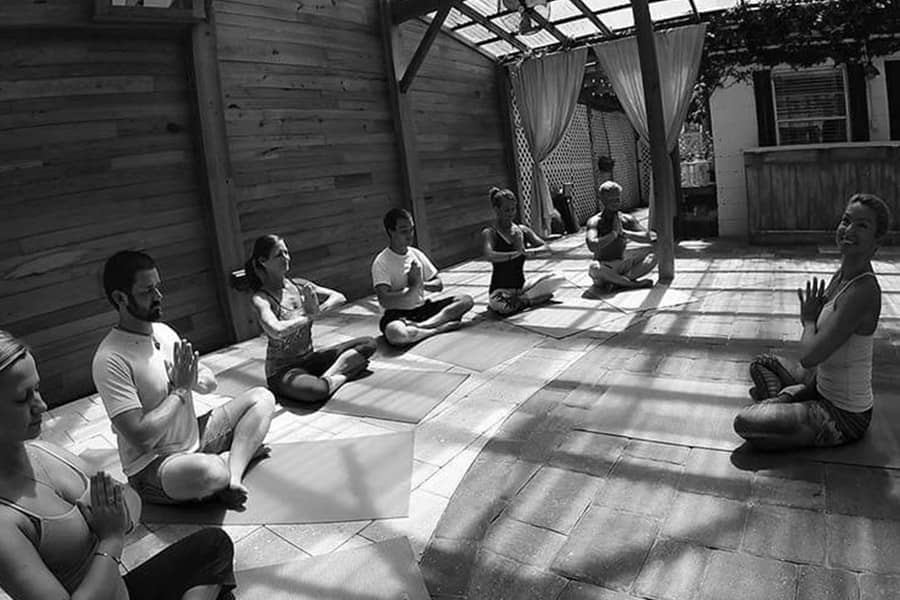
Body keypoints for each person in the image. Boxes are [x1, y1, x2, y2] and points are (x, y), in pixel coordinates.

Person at [0, 330, 236, 600]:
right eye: (22, 398)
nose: (41, 405)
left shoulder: (47, 452)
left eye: (38, 389)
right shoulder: (4, 523)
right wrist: (110, 540)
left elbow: (129, 498)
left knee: (212, 546)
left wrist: (119, 513)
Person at [92, 251, 275, 509]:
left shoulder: (164, 332)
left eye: (158, 287)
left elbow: (205, 377)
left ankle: (232, 476)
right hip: (154, 465)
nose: (158, 296)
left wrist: (200, 380)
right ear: (121, 298)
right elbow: (141, 437)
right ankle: (231, 461)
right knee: (207, 471)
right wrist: (179, 390)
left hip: (195, 439)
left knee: (262, 398)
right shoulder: (110, 359)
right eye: (147, 291)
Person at [734, 193, 892, 450]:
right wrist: (807, 390)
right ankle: (788, 402)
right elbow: (820, 347)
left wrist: (808, 321)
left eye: (862, 226)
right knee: (762, 363)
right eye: (846, 220)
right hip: (820, 385)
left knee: (745, 421)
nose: (848, 230)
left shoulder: (864, 290)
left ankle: (785, 404)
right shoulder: (842, 275)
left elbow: (809, 356)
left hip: (843, 414)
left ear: (877, 241)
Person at [245, 234, 376, 404]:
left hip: (310, 359)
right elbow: (276, 330)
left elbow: (339, 297)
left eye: (286, 252)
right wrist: (307, 316)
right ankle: (344, 374)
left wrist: (317, 310)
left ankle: (327, 378)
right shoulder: (261, 298)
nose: (286, 258)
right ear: (263, 261)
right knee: (316, 392)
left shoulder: (299, 285)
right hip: (283, 371)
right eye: (279, 255)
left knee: (368, 343)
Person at [372, 208, 474, 346]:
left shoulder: (416, 254)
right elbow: (384, 300)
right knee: (397, 335)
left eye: (411, 230)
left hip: (422, 309)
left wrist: (421, 284)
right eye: (404, 231)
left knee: (465, 300)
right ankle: (437, 329)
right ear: (391, 231)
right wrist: (411, 288)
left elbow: (438, 284)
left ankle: (423, 327)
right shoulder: (381, 262)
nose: (409, 235)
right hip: (397, 315)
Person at [482, 187, 567, 315]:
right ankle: (529, 301)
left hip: (522, 287)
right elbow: (489, 255)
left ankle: (521, 300)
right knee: (500, 305)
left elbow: (546, 249)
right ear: (496, 209)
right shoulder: (490, 233)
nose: (511, 213)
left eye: (513, 209)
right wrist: (515, 254)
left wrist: (530, 252)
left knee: (560, 277)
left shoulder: (521, 230)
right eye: (507, 210)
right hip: (500, 291)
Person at [586, 180, 658, 292]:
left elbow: (651, 237)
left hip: (622, 265)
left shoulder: (626, 219)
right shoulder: (595, 221)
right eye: (611, 200)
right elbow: (592, 245)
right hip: (604, 266)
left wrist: (624, 233)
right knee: (594, 268)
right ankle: (632, 284)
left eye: (617, 199)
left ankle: (617, 282)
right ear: (602, 200)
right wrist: (613, 234)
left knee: (655, 255)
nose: (615, 203)